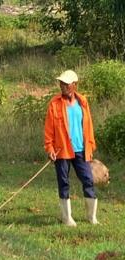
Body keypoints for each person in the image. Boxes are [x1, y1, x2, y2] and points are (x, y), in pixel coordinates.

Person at [44, 70, 98, 226]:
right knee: (64, 182)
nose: (63, 86)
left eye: (66, 84)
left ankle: (91, 217)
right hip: (62, 150)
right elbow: (48, 130)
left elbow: (89, 126)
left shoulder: (83, 102)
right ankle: (67, 218)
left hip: (81, 149)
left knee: (88, 180)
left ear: (75, 85)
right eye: (61, 83)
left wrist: (91, 145)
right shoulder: (54, 104)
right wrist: (50, 148)